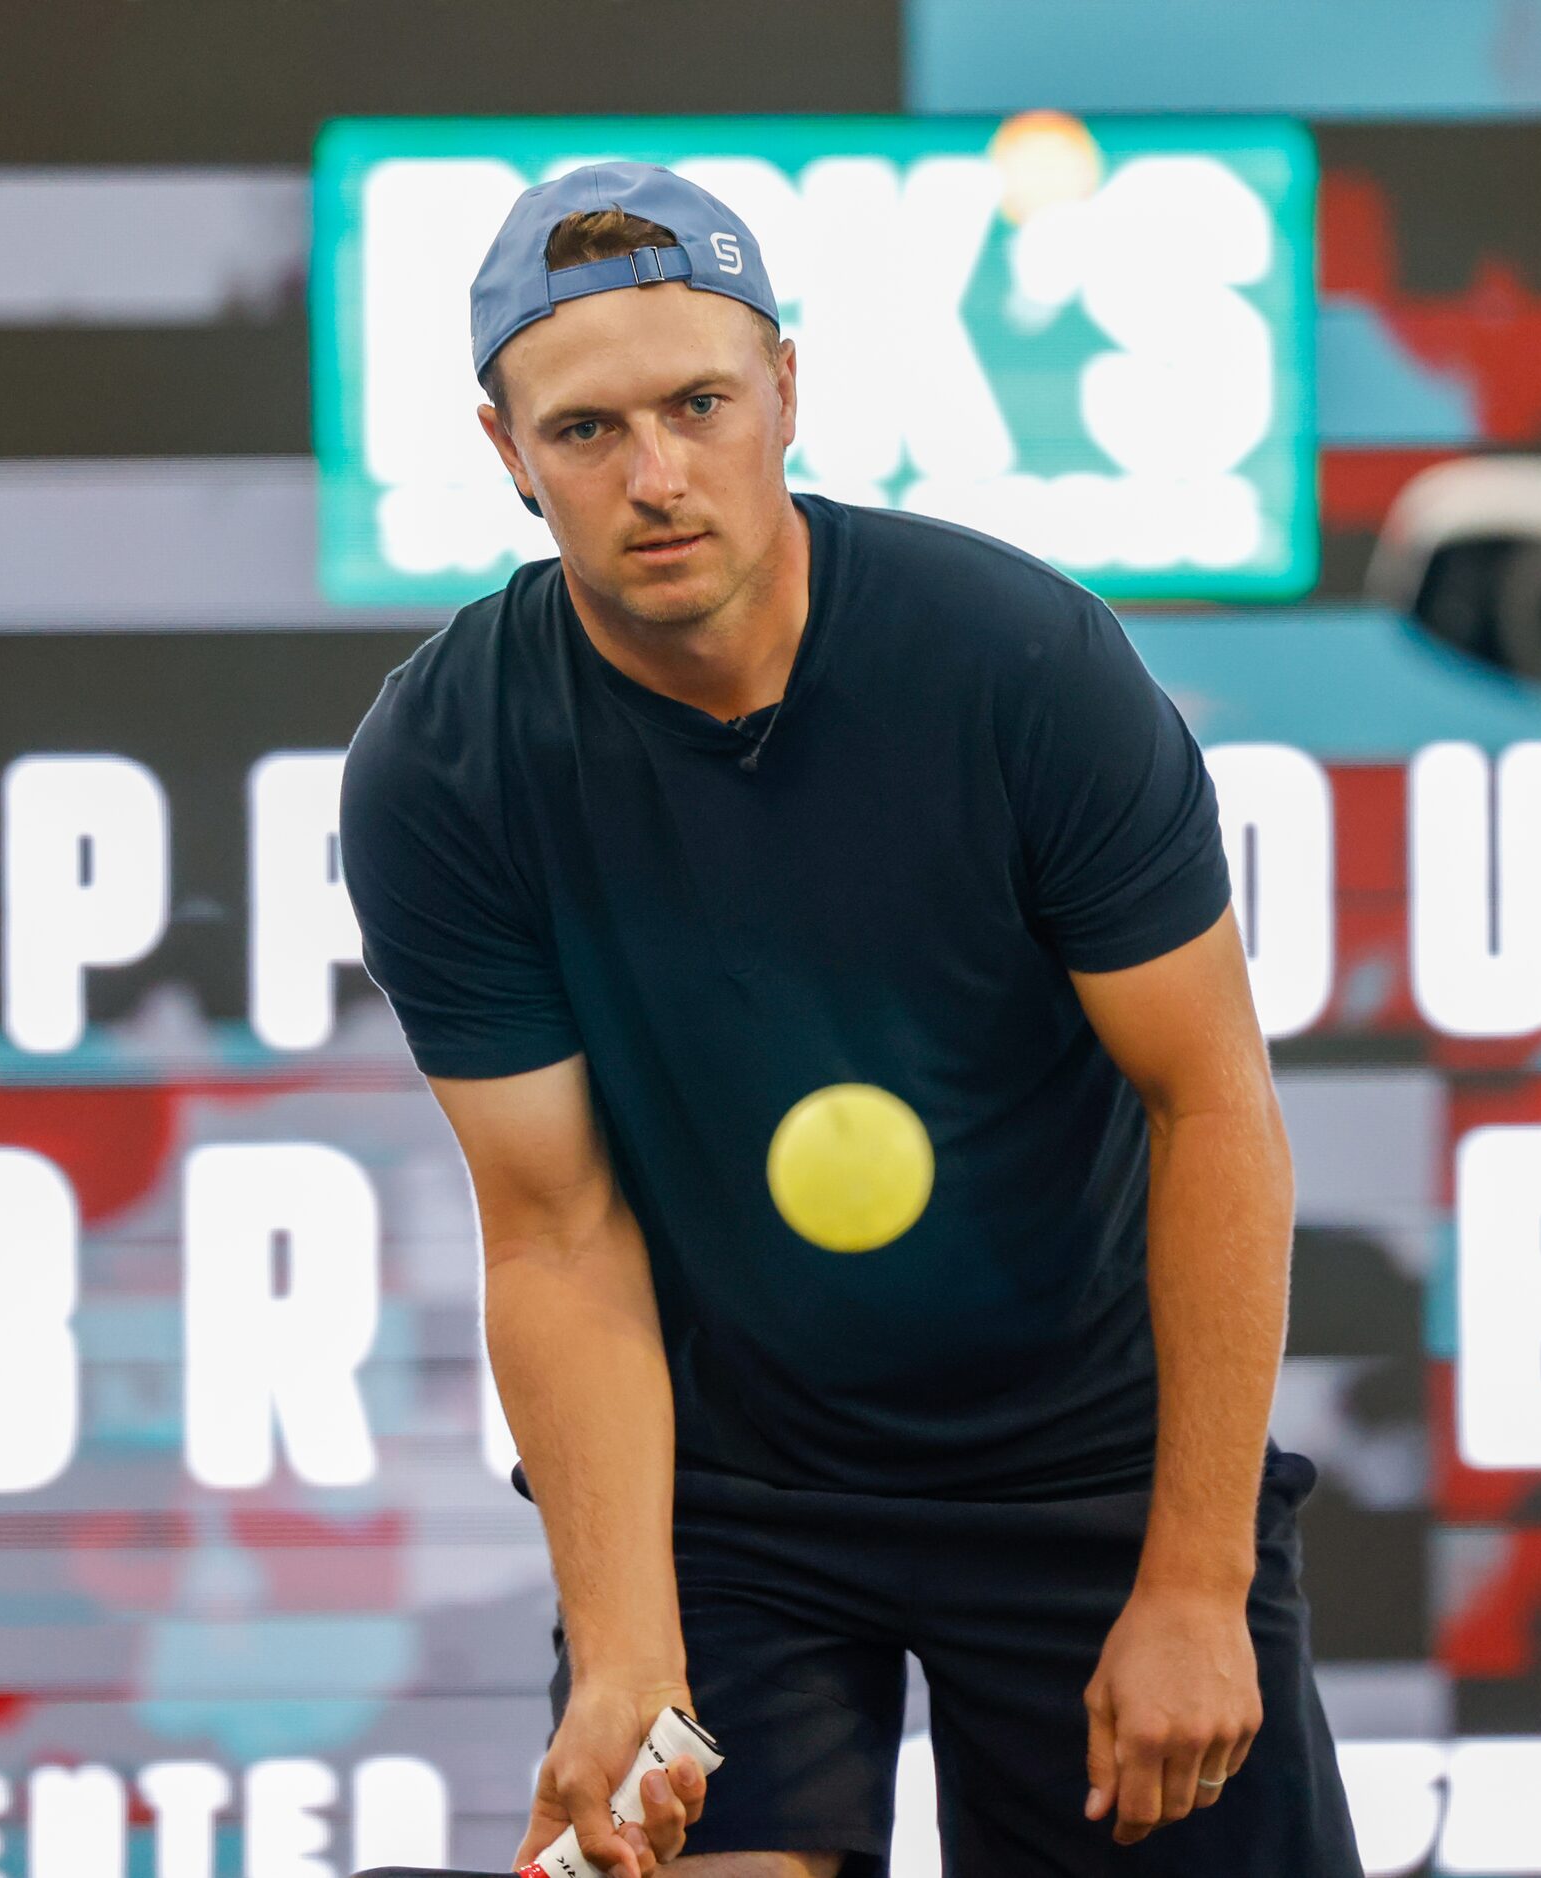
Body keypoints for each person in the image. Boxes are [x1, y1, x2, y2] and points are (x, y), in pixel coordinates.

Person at [338, 163, 1362, 1878]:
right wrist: (629, 1652)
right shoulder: (444, 766)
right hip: (739, 1488)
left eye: (698, 404)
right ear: (510, 454)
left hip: (1089, 1455)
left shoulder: (1021, 665)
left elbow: (1210, 1104)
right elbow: (556, 1231)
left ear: (785, 397)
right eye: (586, 432)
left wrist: (1191, 1581)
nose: (655, 476)